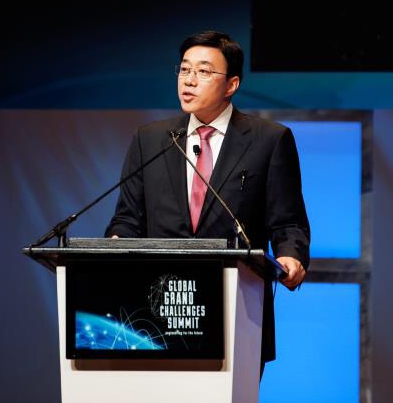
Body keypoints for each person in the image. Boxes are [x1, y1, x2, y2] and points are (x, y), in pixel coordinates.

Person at [105, 29, 310, 373]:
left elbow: (287, 220)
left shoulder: (269, 140)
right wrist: (114, 244)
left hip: (237, 313)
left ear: (231, 84)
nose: (189, 80)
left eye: (203, 71)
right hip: (155, 316)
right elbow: (128, 219)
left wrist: (291, 255)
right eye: (185, 69)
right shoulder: (150, 140)